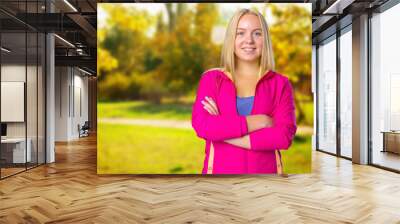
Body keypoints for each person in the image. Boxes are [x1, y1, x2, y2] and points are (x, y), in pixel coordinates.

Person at [191, 8, 297, 174]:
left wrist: (222, 129)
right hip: (220, 180)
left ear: (265, 40)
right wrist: (261, 121)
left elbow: (283, 137)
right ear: (231, 39)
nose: (249, 40)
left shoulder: (280, 84)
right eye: (240, 33)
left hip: (266, 182)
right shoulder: (211, 80)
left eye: (257, 33)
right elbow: (203, 126)